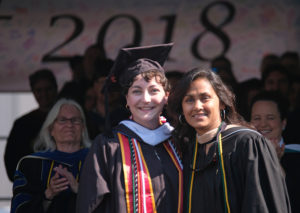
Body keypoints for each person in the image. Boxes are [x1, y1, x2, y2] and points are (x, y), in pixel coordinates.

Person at [76, 43, 183, 213]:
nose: (146, 99)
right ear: (126, 98)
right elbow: (91, 205)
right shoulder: (108, 147)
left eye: (154, 90)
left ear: (166, 97)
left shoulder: (181, 143)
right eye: (136, 91)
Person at [167, 67, 291, 213]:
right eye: (189, 100)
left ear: (222, 103)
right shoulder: (189, 152)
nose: (197, 106)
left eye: (205, 98)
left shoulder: (248, 143)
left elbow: (261, 205)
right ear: (182, 108)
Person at [10, 99, 91, 213]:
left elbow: (113, 204)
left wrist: (79, 190)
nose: (69, 125)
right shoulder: (31, 165)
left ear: (83, 128)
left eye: (75, 120)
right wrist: (48, 194)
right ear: (51, 129)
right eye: (62, 120)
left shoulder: (97, 161)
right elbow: (20, 209)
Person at [4, 68, 58, 181]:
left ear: (56, 89)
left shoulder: (69, 119)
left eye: (48, 89)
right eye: (39, 90)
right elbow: (11, 161)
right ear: (33, 92)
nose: (44, 94)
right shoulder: (22, 124)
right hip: (32, 188)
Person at [250, 91, 289, 159]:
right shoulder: (240, 156)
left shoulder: (296, 154)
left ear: (283, 123)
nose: (263, 124)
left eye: (270, 118)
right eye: (257, 118)